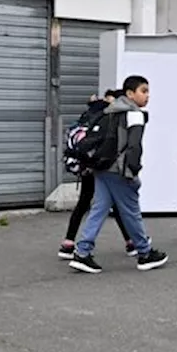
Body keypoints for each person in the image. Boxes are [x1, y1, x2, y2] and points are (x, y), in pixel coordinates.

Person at [69, 75, 168, 274]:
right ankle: (145, 252)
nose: (147, 95)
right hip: (120, 170)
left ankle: (82, 251)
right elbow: (134, 146)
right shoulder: (135, 114)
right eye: (143, 91)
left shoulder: (110, 111)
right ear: (130, 94)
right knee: (131, 210)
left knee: (99, 209)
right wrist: (133, 171)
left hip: (101, 167)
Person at [58, 89, 136, 260]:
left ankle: (68, 243)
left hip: (85, 165)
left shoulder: (91, 112)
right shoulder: (109, 115)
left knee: (85, 202)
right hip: (100, 167)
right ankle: (131, 242)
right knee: (114, 204)